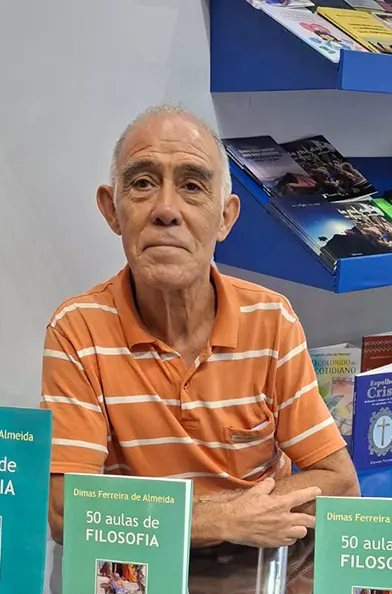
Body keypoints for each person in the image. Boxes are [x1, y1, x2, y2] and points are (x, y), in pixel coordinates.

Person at [42, 106, 359, 548]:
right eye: (142, 183)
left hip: (255, 573)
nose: (165, 210)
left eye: (192, 186)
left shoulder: (271, 320)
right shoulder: (78, 330)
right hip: (135, 574)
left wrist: (175, 520)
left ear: (226, 217)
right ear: (112, 211)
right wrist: (219, 520)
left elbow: (339, 483)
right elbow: (67, 513)